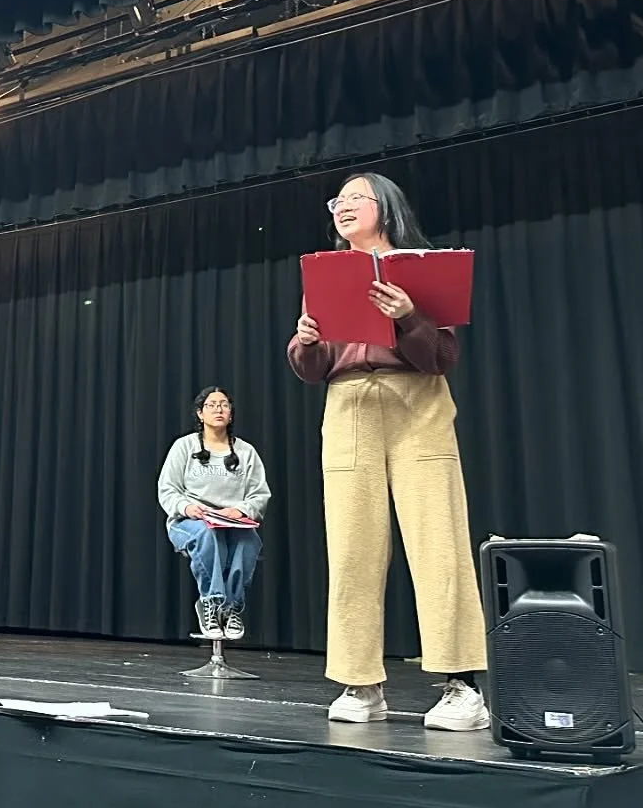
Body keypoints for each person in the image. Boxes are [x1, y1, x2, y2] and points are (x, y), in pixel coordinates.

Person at [287, 171, 488, 730]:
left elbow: (441, 358)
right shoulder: (326, 273)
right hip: (349, 406)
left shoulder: (421, 269)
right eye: (338, 200)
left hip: (416, 404)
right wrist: (306, 342)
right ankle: (360, 682)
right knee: (352, 548)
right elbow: (313, 368)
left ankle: (462, 686)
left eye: (356, 197)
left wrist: (408, 316)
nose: (343, 206)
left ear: (386, 207)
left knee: (438, 544)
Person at [158, 387, 272, 642]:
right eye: (211, 405)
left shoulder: (245, 452)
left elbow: (259, 495)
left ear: (231, 414)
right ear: (200, 414)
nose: (218, 409)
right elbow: (167, 489)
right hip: (190, 521)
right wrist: (187, 508)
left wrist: (239, 510)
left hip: (232, 522)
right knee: (208, 536)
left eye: (224, 405)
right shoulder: (184, 446)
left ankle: (232, 608)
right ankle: (212, 601)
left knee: (249, 541)